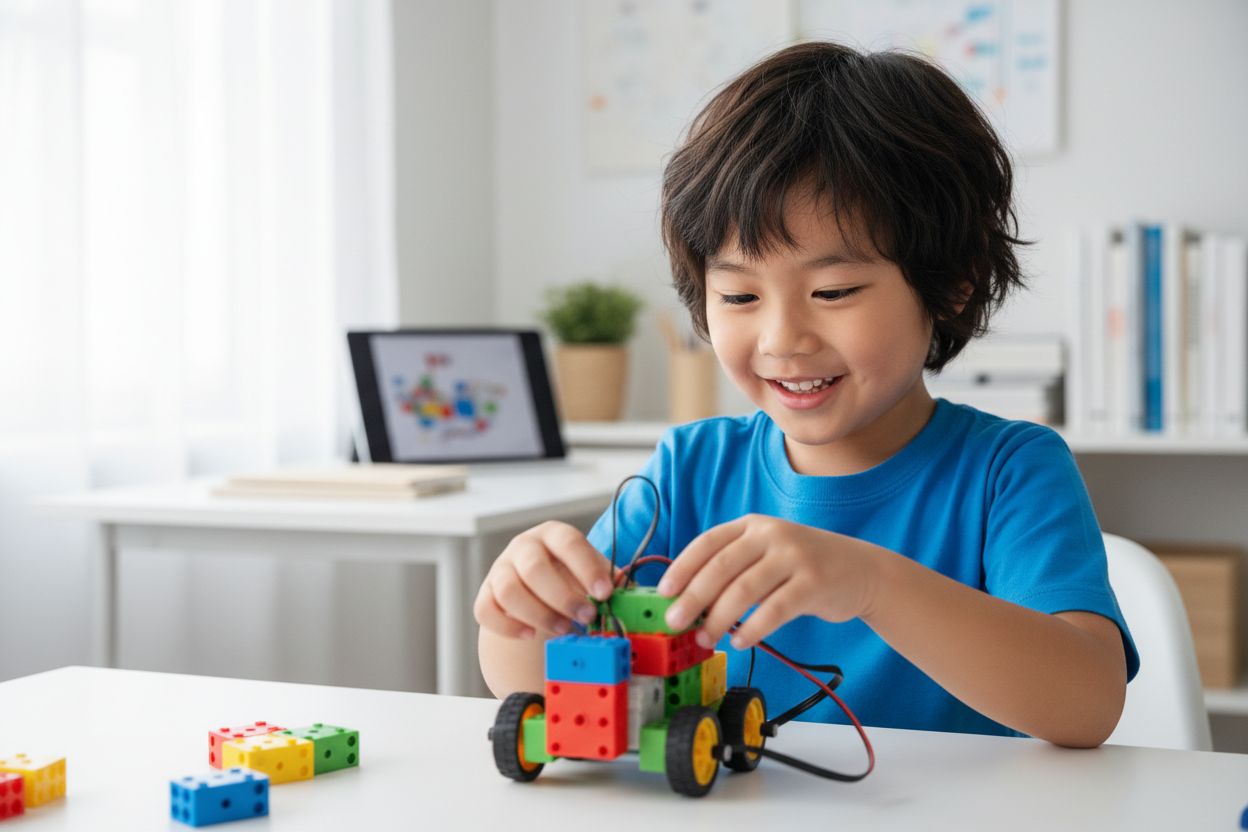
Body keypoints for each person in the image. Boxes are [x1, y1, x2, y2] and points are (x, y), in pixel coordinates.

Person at [475, 41, 1137, 747]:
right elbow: (534, 682)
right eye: (739, 294)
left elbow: (1086, 705)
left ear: (951, 283)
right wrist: (518, 613)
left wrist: (873, 584)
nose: (781, 337)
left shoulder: (1011, 471)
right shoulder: (688, 470)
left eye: (833, 291)